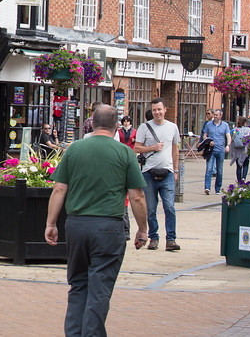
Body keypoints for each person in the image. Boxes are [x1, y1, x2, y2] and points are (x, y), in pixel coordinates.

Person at [45, 104, 147, 337]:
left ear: (92, 122)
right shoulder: (125, 153)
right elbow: (137, 197)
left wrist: (51, 224)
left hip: (77, 225)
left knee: (78, 284)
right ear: (116, 126)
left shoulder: (74, 149)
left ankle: (74, 333)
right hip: (108, 227)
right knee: (99, 288)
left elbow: (59, 189)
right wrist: (143, 228)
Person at [133, 98, 181, 251]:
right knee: (151, 209)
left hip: (167, 173)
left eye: (159, 109)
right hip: (148, 173)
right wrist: (152, 147)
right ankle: (154, 237)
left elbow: (175, 149)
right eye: (154, 110)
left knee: (169, 207)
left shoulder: (173, 127)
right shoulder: (144, 127)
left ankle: (171, 239)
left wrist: (175, 170)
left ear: (165, 109)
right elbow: (137, 148)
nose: (157, 112)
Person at [201, 108, 232, 194]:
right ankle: (207, 188)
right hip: (211, 150)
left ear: (220, 116)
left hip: (220, 150)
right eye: (214, 115)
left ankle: (217, 188)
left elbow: (228, 136)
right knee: (209, 169)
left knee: (220, 170)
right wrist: (208, 141)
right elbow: (204, 135)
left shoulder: (225, 125)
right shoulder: (209, 124)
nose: (215, 116)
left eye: (216, 115)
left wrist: (228, 145)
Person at [229, 115, 250, 182]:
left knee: (238, 166)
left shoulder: (234, 130)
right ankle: (244, 177)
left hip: (237, 151)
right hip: (245, 150)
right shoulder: (248, 130)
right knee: (245, 165)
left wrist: (232, 152)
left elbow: (232, 141)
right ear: (245, 123)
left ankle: (239, 180)